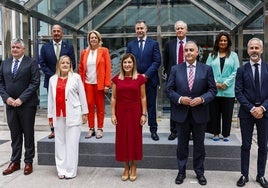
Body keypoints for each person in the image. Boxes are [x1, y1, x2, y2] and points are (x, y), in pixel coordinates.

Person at [165, 41, 217, 186]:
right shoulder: (175, 69)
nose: (188, 52)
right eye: (186, 50)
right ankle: (181, 172)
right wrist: (180, 99)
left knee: (199, 145)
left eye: (191, 50)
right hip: (181, 114)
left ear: (197, 53)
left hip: (200, 114)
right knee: (181, 146)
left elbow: (213, 90)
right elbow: (168, 90)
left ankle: (199, 172)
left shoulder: (206, 69)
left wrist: (202, 99)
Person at [0, 38, 40, 176]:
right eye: (13, 47)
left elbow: (35, 83)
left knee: (28, 134)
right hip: (11, 105)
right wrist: (7, 98)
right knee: (15, 135)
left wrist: (21, 99)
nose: (15, 49)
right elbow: (0, 84)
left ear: (23, 49)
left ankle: (28, 161)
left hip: (27, 105)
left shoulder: (31, 62)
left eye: (17, 47)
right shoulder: (5, 63)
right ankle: (15, 162)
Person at [47, 55, 88, 179]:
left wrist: (84, 112)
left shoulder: (76, 78)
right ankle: (61, 169)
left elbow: (82, 95)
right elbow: (50, 99)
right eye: (62, 63)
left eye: (67, 63)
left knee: (72, 144)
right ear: (58, 65)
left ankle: (70, 171)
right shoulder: (52, 79)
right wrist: (50, 116)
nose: (65, 65)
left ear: (70, 65)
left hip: (73, 114)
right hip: (58, 116)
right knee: (59, 143)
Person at [235, 38, 268, 188]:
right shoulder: (242, 70)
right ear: (247, 50)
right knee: (246, 145)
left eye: (257, 48)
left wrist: (262, 108)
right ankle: (244, 174)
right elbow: (238, 92)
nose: (254, 50)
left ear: (261, 50)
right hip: (247, 113)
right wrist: (252, 108)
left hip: (265, 113)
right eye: (251, 48)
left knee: (263, 146)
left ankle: (261, 175)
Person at [111, 53, 147, 182]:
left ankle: (134, 166)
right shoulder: (116, 79)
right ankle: (126, 167)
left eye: (129, 62)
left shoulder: (140, 79)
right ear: (122, 64)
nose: (127, 65)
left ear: (133, 64)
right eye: (125, 62)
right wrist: (113, 114)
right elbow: (113, 97)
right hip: (121, 112)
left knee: (134, 139)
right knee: (122, 140)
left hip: (135, 112)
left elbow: (143, 97)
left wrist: (144, 114)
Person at [39, 24, 76, 139]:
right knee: (52, 106)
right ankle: (53, 129)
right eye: (54, 31)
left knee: (65, 104)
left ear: (62, 33)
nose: (56, 33)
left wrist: (63, 75)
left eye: (58, 31)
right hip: (50, 81)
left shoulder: (68, 47)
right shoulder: (45, 47)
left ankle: (66, 128)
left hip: (65, 82)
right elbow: (42, 63)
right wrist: (54, 76)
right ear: (51, 33)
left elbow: (72, 63)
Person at [126, 20, 161, 141]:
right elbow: (127, 61)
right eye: (137, 28)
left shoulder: (153, 44)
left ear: (146, 29)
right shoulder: (131, 45)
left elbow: (157, 61)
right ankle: (136, 130)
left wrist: (145, 75)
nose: (140, 30)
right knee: (136, 106)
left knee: (151, 106)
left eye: (142, 28)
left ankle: (153, 130)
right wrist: (135, 75)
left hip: (150, 80)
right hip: (135, 81)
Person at [206, 32, 239, 142]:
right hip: (214, 89)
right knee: (214, 113)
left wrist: (226, 83)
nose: (223, 42)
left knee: (227, 113)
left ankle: (226, 134)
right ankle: (215, 133)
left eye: (225, 40)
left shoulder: (234, 55)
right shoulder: (212, 55)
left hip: (228, 90)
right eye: (221, 40)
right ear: (218, 42)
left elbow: (236, 71)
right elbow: (207, 70)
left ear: (228, 42)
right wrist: (215, 83)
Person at [79, 30, 111, 139]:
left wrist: (107, 84)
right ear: (89, 40)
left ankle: (100, 128)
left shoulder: (104, 51)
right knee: (89, 106)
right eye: (91, 37)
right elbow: (81, 69)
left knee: (100, 107)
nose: (93, 39)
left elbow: (108, 68)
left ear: (99, 39)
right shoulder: (84, 52)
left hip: (99, 84)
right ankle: (91, 128)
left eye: (95, 37)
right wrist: (80, 84)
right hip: (87, 83)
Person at [163, 20, 190, 140]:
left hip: (189, 77)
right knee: (174, 104)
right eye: (177, 28)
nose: (179, 30)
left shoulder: (191, 44)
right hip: (174, 79)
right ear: (175, 31)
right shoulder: (169, 44)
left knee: (188, 105)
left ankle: (188, 132)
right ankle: (173, 131)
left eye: (182, 28)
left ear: (186, 30)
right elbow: (166, 61)